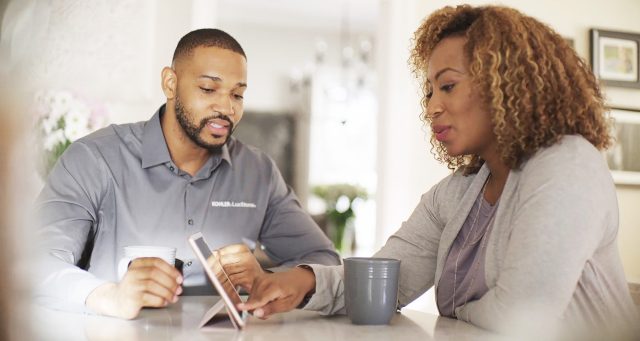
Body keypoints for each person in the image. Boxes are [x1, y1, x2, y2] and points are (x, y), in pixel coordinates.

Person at [237, 5, 640, 337]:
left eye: (447, 86)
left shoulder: (566, 165)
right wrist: (302, 282)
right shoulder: (458, 192)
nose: (431, 107)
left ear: (505, 82)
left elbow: (521, 317)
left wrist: (454, 312)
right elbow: (384, 282)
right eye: (430, 90)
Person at [34, 28, 340, 319]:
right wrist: (111, 297)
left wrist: (271, 280)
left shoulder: (258, 173)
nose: (226, 108)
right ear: (170, 83)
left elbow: (323, 261)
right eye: (208, 89)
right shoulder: (94, 159)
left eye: (237, 95)